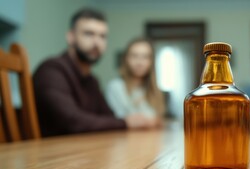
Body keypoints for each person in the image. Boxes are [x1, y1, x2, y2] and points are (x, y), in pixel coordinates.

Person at [33, 8, 150, 137]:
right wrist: (126, 122)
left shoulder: (92, 81)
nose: (97, 42)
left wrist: (124, 122)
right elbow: (72, 121)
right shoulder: (51, 70)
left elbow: (109, 117)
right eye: (88, 34)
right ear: (71, 37)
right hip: (51, 154)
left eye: (102, 36)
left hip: (82, 151)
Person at [105, 38, 164, 127]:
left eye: (145, 57)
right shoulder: (115, 86)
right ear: (126, 59)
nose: (140, 62)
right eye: (134, 56)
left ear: (151, 61)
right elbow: (119, 120)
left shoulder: (154, 90)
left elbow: (158, 119)